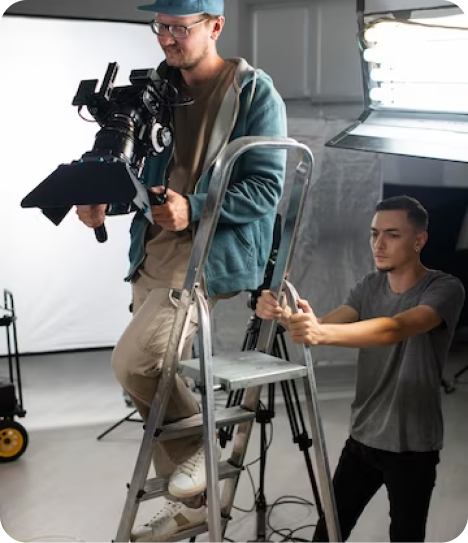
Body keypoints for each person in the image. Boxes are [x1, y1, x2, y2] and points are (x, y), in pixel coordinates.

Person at [76, 0, 287, 541]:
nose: (167, 38)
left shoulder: (253, 93)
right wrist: (101, 199)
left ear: (215, 26)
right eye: (161, 27)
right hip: (150, 254)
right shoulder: (154, 89)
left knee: (134, 364)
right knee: (152, 375)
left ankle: (200, 451)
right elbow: (136, 176)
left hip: (207, 257)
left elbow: (265, 189)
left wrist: (194, 207)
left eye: (179, 28)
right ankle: (193, 504)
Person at [256, 195, 465, 543]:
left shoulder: (444, 288)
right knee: (328, 533)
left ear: (419, 240)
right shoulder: (369, 286)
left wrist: (318, 332)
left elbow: (395, 328)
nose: (378, 244)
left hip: (413, 446)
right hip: (362, 438)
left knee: (406, 536)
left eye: (392, 234)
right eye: (374, 233)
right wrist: (285, 314)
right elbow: (323, 326)